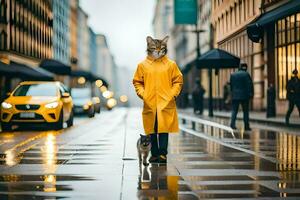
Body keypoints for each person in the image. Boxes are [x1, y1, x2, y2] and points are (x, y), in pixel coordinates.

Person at [133, 36, 183, 164]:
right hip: (150, 103)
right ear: (148, 47)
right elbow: (137, 82)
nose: (158, 51)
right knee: (151, 129)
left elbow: (178, 81)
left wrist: (172, 95)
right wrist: (143, 94)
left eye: (161, 49)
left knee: (163, 129)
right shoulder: (142, 65)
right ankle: (154, 154)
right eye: (155, 48)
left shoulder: (171, 64)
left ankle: (162, 154)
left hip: (166, 102)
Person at [230, 63, 254, 131]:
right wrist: (251, 94)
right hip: (244, 96)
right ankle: (246, 126)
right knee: (245, 111)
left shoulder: (233, 75)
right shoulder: (246, 74)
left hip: (235, 95)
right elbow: (249, 85)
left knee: (234, 110)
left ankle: (232, 124)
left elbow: (231, 86)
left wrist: (232, 94)